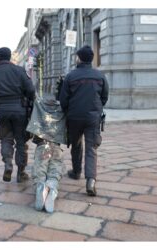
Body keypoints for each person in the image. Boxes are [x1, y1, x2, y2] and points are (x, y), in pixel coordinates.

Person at [59, 45, 109, 196]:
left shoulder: (70, 76)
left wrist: (68, 111)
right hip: (93, 117)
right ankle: (91, 181)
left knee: (76, 145)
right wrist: (96, 109)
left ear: (79, 58)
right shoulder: (100, 76)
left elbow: (63, 100)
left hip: (74, 117)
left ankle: (76, 172)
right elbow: (104, 97)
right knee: (91, 148)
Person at [0, 47, 35, 183]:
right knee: (20, 141)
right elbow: (31, 90)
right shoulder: (19, 71)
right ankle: (21, 173)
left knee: (6, 139)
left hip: (2, 111)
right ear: (9, 57)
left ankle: (8, 164)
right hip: (20, 110)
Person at [26, 95, 66, 213]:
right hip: (56, 146)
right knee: (55, 167)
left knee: (40, 168)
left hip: (42, 145)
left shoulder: (38, 106)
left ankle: (41, 185)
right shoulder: (61, 109)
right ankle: (51, 185)